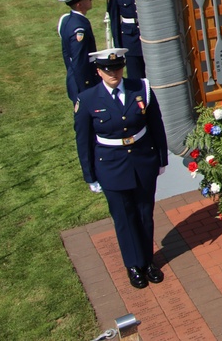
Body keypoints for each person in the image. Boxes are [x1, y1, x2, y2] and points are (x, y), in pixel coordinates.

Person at [74, 47, 168, 290]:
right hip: (111, 166)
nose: (113, 73)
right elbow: (83, 141)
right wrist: (90, 176)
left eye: (117, 68)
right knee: (124, 218)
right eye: (107, 70)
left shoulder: (141, 89)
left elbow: (156, 125)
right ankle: (134, 265)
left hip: (142, 161)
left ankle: (148, 261)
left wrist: (161, 158)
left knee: (144, 213)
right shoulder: (87, 100)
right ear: (98, 71)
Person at [58, 0, 99, 102]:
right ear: (79, 4)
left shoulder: (66, 20)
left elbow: (67, 54)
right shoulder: (78, 29)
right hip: (83, 82)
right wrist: (86, 86)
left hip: (74, 77)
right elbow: (79, 60)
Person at [107, 0, 145, 79]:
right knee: (136, 76)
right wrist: (119, 48)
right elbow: (114, 21)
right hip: (130, 39)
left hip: (149, 36)